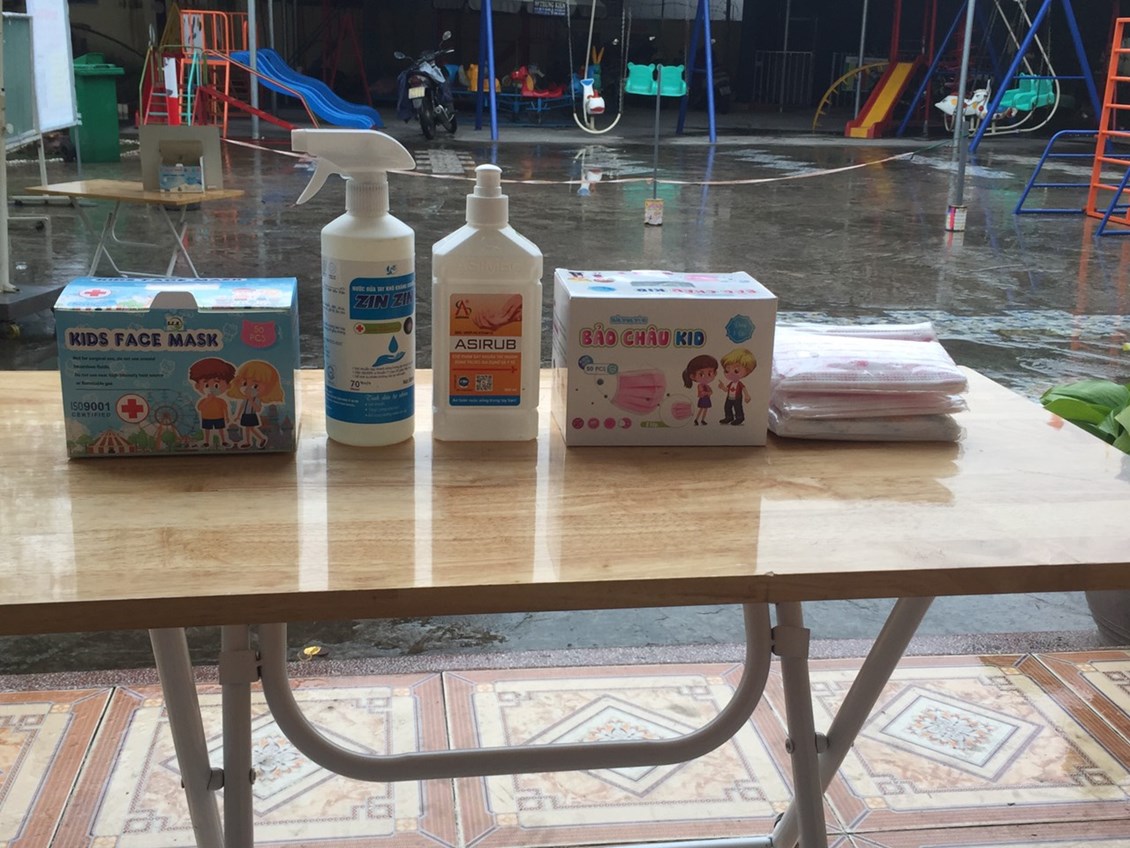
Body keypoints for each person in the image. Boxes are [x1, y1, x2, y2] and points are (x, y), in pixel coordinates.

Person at [226, 360, 285, 448]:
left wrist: (251, 400)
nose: (248, 388)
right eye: (245, 383)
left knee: (250, 428)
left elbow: (258, 409)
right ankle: (250, 441)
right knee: (247, 428)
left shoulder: (256, 399)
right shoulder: (245, 399)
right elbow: (242, 406)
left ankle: (259, 439)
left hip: (251, 415)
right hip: (245, 415)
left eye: (255, 386)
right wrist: (238, 416)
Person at [188, 357, 235, 448]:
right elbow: (200, 408)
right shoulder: (203, 400)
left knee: (221, 429)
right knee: (207, 430)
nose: (211, 388)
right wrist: (208, 400)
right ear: (197, 386)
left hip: (219, 417)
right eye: (206, 385)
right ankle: (206, 441)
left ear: (228, 385)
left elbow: (225, 409)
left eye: (216, 385)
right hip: (206, 418)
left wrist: (227, 418)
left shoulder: (221, 401)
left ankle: (223, 441)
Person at [718, 348, 756, 426]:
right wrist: (722, 387)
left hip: (737, 397)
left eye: (736, 371)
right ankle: (729, 417)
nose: (730, 374)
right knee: (727, 407)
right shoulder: (731, 383)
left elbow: (744, 389)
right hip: (729, 397)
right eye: (727, 370)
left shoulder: (739, 384)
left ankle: (739, 418)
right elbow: (726, 389)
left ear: (747, 372)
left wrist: (747, 395)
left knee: (737, 408)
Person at [682, 353, 719, 426]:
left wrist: (708, 392)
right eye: (701, 374)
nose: (706, 377)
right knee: (701, 409)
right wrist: (707, 393)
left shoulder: (707, 385)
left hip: (707, 399)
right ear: (693, 376)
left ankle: (703, 420)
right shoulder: (700, 385)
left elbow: (711, 392)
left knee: (705, 409)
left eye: (710, 373)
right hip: (703, 399)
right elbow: (702, 392)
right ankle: (696, 419)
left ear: (715, 373)